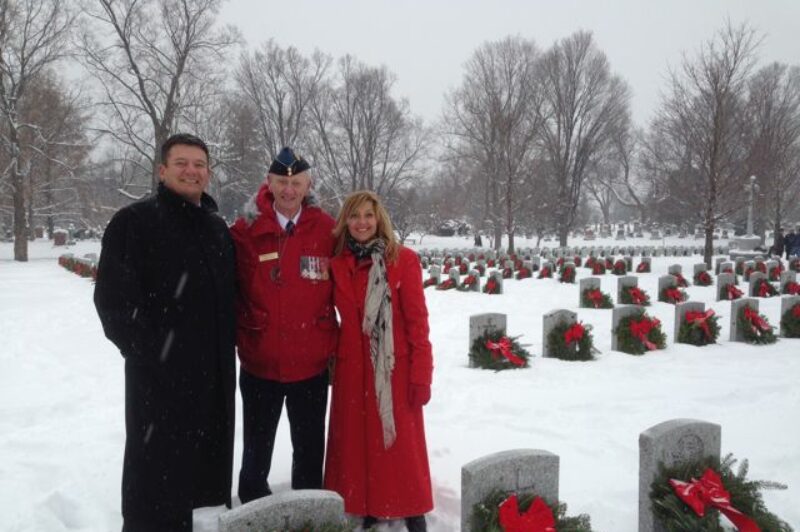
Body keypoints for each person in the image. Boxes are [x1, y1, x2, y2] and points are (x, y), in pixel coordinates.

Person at [94, 133, 236, 531]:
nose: (191, 171)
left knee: (199, 487)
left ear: (208, 173)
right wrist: (154, 355)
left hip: (212, 383)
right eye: (182, 163)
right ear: (162, 170)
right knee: (155, 486)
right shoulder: (134, 223)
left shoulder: (216, 229)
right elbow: (113, 304)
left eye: (199, 165)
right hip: (159, 384)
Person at [230, 147, 337, 504]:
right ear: (268, 183)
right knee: (256, 451)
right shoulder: (245, 229)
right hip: (261, 362)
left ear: (308, 185)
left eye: (296, 183)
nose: (289, 190)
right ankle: (254, 510)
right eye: (281, 182)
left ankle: (308, 508)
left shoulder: (327, 229)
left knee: (309, 450)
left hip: (311, 364)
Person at [324, 190, 434, 531]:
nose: (361, 223)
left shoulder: (404, 260)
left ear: (379, 218)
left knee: (402, 445)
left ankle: (413, 505)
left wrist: (422, 374)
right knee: (357, 444)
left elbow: (417, 323)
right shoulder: (337, 263)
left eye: (368, 216)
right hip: (352, 370)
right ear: (346, 221)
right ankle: (366, 503)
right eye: (354, 216)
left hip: (392, 370)